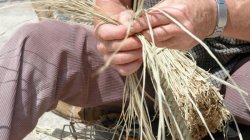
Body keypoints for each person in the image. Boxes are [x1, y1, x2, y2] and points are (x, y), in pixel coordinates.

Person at [0, 0, 249, 140]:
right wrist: (112, 27)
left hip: (235, 73)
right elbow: (110, 4)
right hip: (141, 67)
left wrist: (217, 15)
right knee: (36, 45)